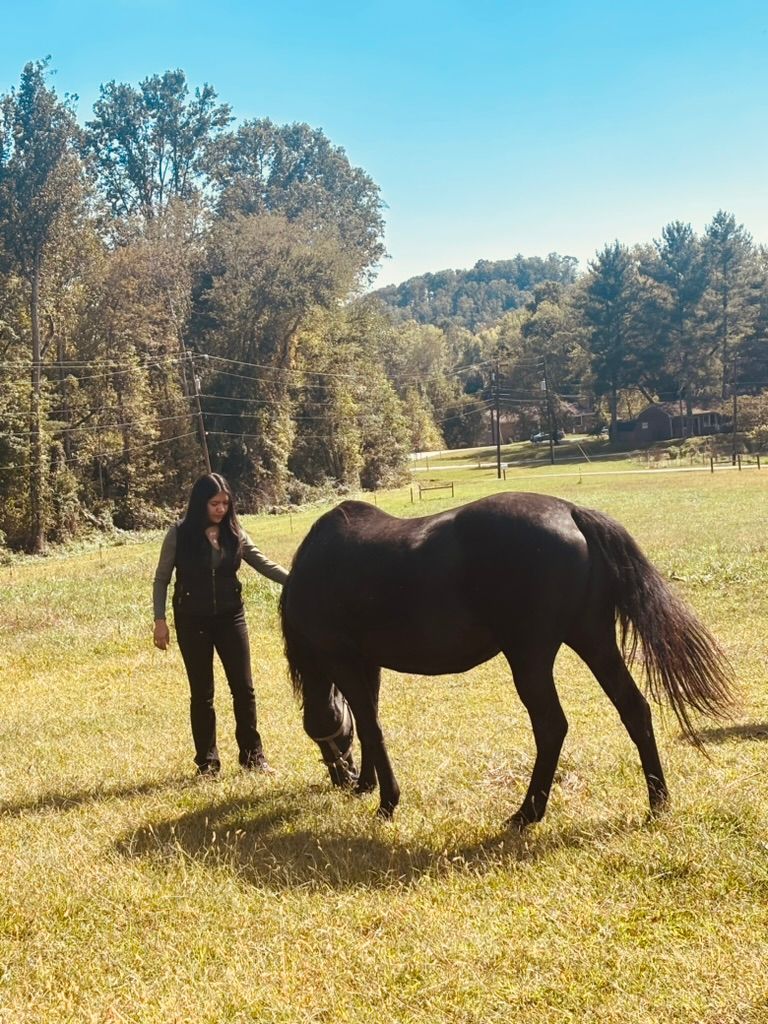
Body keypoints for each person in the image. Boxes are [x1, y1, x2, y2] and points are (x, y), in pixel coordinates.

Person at [152, 472, 289, 777]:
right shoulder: (179, 534)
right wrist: (159, 620)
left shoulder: (234, 532)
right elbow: (162, 579)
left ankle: (253, 757)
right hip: (192, 620)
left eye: (225, 503)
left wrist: (296, 581)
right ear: (200, 503)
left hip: (231, 617)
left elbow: (262, 562)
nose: (221, 509)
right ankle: (207, 763)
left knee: (244, 688)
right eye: (214, 503)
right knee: (202, 694)